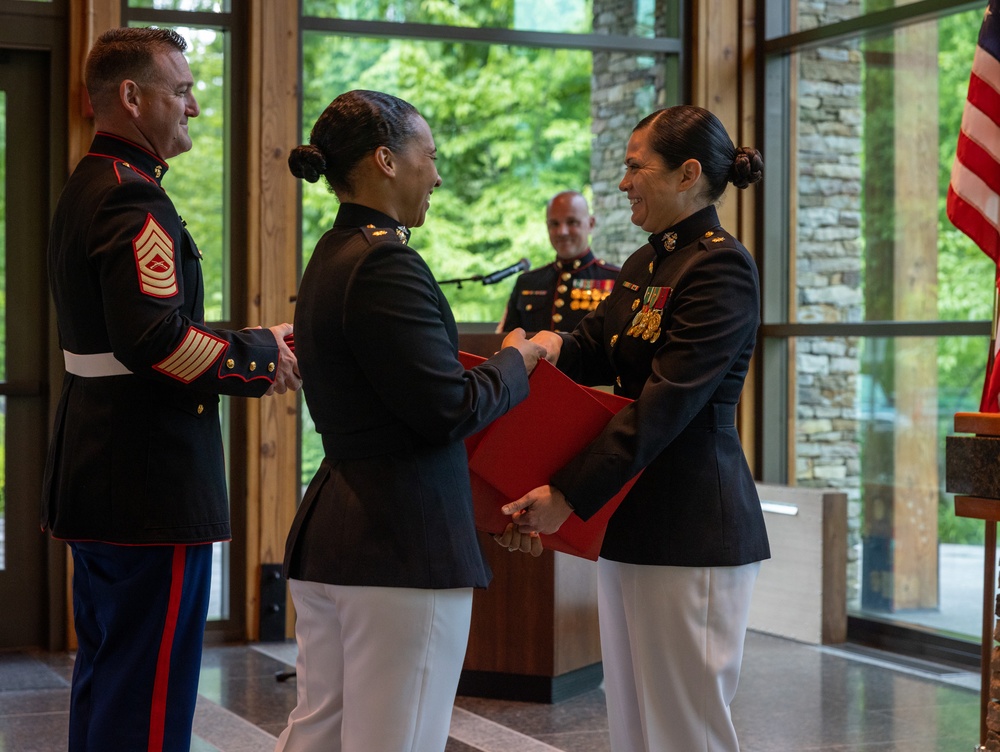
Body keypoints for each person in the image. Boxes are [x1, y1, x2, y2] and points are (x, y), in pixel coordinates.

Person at [40, 26, 301, 752]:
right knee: (147, 701)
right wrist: (257, 357)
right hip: (147, 482)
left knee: (108, 677)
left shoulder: (92, 183)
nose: (192, 107)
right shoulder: (133, 200)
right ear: (130, 97)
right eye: (180, 91)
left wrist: (250, 341)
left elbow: (140, 324)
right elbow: (154, 339)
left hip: (99, 471)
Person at [275, 90, 546, 752]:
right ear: (385, 161)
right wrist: (519, 360)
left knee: (319, 733)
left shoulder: (331, 252)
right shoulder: (385, 260)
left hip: (338, 530)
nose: (439, 172)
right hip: (399, 544)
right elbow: (445, 408)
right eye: (430, 155)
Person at [502, 105, 770, 752]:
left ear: (686, 174)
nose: (622, 182)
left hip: (691, 528)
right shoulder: (646, 264)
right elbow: (595, 345)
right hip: (630, 521)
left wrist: (567, 493)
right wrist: (538, 347)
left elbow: (665, 404)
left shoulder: (719, 268)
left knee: (685, 732)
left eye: (633, 166)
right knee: (634, 728)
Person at [497, 190, 620, 333]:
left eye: (572, 222)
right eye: (554, 224)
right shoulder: (527, 281)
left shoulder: (617, 279)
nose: (562, 232)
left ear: (591, 224)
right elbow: (506, 342)